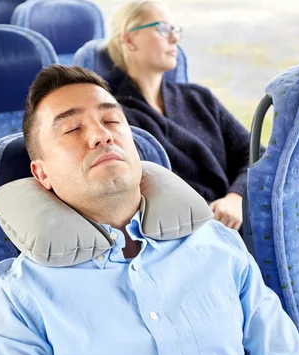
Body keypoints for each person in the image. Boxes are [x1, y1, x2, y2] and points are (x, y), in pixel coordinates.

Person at [0, 65, 299, 355]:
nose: (101, 136)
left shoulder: (219, 247)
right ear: (42, 175)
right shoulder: (17, 299)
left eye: (112, 122)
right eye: (72, 128)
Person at [107, 0, 253, 231]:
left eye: (175, 30)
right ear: (129, 39)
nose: (174, 38)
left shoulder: (199, 97)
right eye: (162, 29)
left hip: (238, 220)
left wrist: (236, 197)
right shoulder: (113, 117)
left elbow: (255, 154)